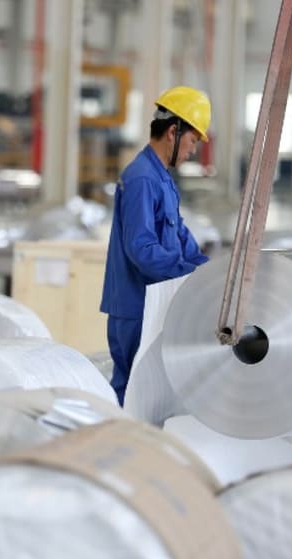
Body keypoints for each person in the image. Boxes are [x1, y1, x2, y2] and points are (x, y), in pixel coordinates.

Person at [100, 86, 211, 405]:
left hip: (152, 305)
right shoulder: (142, 179)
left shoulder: (161, 178)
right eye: (192, 140)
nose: (193, 150)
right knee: (134, 395)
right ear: (173, 132)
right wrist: (187, 272)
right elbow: (142, 248)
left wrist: (209, 270)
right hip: (135, 310)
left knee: (152, 397)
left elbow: (180, 238)